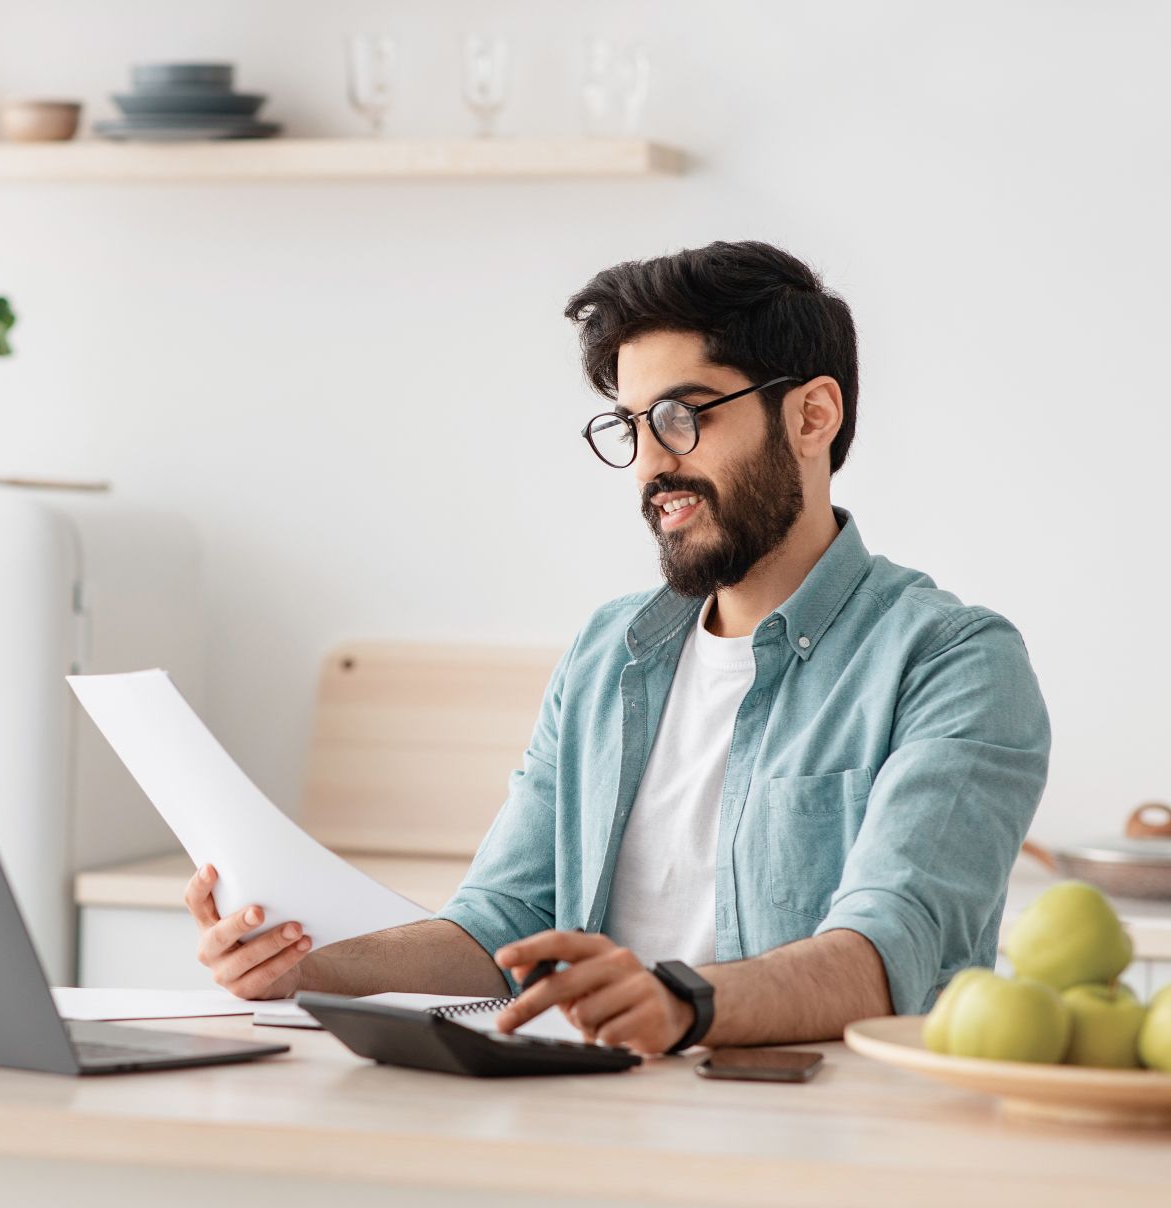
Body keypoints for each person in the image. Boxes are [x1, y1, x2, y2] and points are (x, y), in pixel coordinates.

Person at [183, 240, 1050, 1055]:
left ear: (812, 415)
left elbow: (886, 952)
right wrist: (307, 968)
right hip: (604, 1109)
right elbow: (502, 922)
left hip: (824, 1132)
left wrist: (680, 1002)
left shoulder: (953, 662)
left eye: (680, 415)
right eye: (630, 426)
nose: (647, 466)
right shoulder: (611, 651)